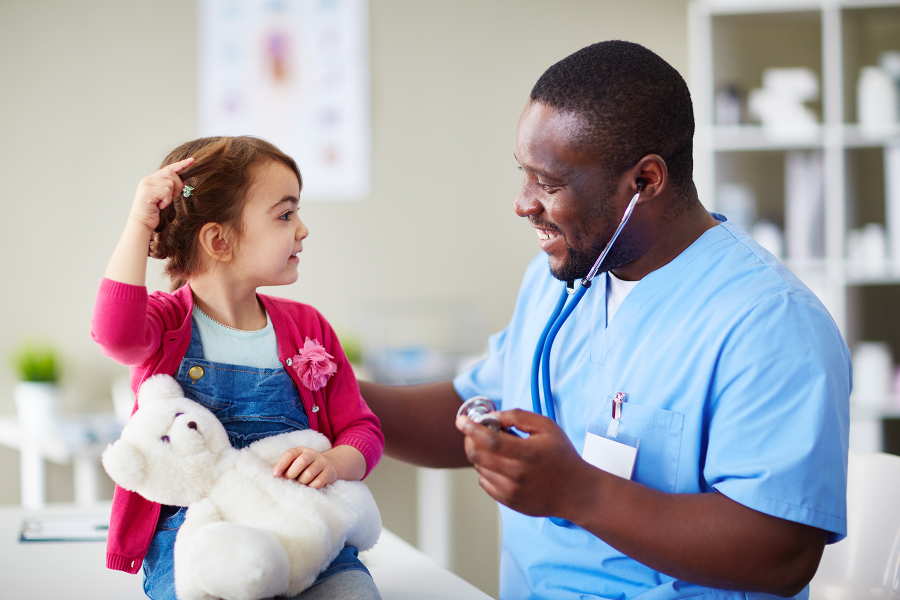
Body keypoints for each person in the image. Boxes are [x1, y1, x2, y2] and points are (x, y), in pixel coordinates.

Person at [359, 41, 850, 599]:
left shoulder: (769, 324)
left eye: (548, 183)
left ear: (644, 181)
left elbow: (782, 554)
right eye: (522, 174)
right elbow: (479, 407)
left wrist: (579, 493)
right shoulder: (560, 278)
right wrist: (323, 389)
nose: (522, 203)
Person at [91, 136, 384, 600]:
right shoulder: (167, 323)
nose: (303, 229)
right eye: (286, 214)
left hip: (298, 523)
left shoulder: (308, 327)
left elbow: (362, 431)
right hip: (194, 538)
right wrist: (137, 222)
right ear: (218, 240)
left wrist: (332, 462)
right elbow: (114, 334)